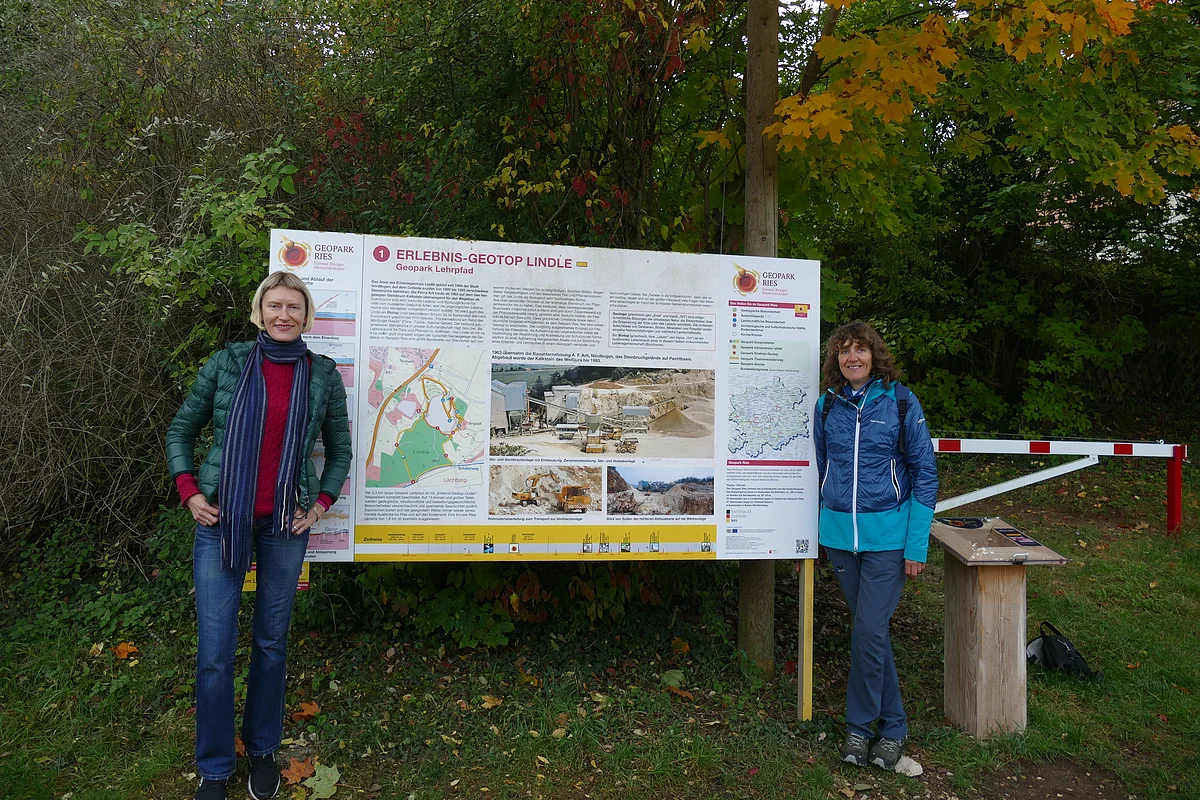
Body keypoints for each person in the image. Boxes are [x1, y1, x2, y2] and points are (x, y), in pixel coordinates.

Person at [166, 272, 352, 800]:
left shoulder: (321, 376)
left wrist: (320, 503)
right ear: (259, 311)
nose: (284, 315)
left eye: (294, 307)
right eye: (275, 306)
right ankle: (216, 767)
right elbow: (180, 428)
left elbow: (339, 450)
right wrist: (189, 490)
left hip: (284, 527)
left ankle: (264, 750)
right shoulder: (227, 364)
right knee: (215, 651)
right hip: (221, 522)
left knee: (271, 643)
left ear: (307, 315)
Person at [813, 320, 938, 770]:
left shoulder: (900, 402)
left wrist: (916, 545)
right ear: (836, 359)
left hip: (888, 538)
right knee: (873, 634)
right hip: (841, 540)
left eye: (860, 350)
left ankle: (864, 729)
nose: (853, 357)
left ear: (873, 354)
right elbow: (824, 466)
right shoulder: (826, 407)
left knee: (867, 630)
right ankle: (893, 726)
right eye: (844, 350)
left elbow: (925, 473)